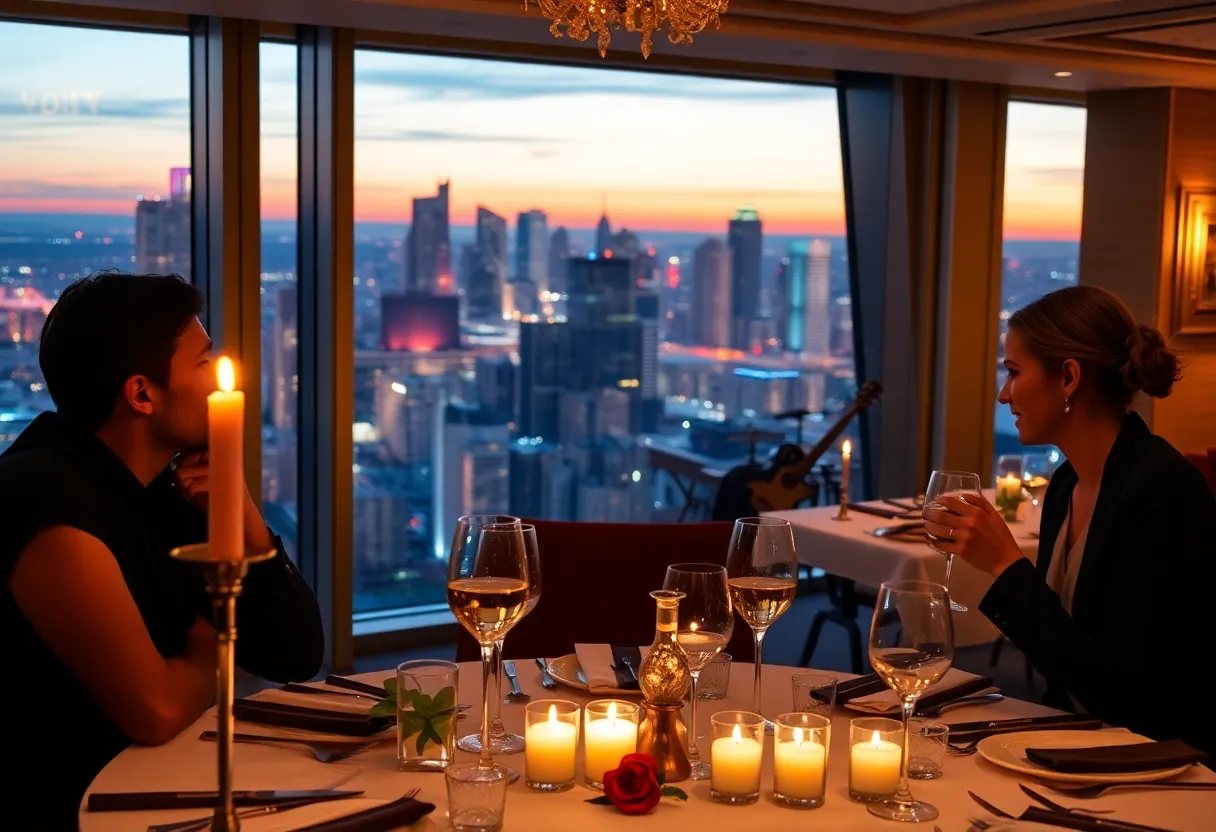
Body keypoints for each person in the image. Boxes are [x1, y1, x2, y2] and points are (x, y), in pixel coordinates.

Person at [0, 272, 325, 826]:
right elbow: (153, 711)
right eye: (203, 364)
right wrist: (210, 647)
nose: (222, 388)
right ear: (142, 394)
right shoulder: (48, 499)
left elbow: (294, 655)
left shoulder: (163, 488)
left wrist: (237, 504)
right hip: (75, 808)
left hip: (162, 783)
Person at [925, 285, 1216, 755]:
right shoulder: (1067, 484)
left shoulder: (1164, 491)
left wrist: (1006, 565)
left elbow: (1126, 693)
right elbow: (1063, 665)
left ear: (1069, 378)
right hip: (1075, 739)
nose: (1003, 394)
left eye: (1014, 373)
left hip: (1158, 760)